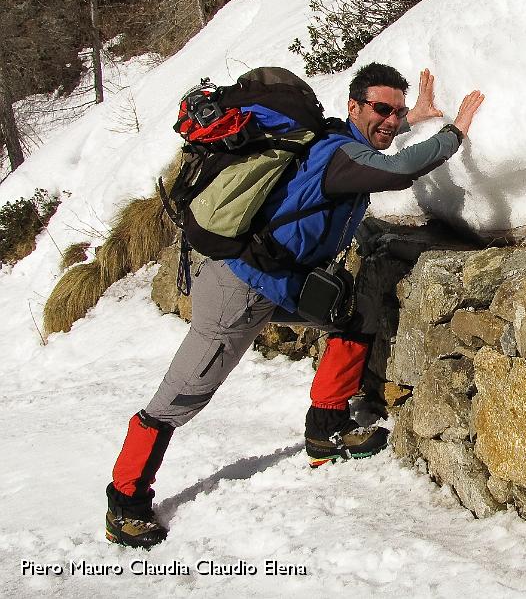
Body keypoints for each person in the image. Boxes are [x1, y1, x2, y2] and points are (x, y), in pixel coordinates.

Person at [105, 62, 484, 548]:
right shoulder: (339, 155)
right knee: (181, 396)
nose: (390, 119)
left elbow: (373, 145)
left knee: (355, 310)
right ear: (354, 106)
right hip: (237, 291)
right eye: (382, 109)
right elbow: (399, 170)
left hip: (281, 282)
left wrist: (415, 119)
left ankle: (327, 429)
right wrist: (453, 133)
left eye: (398, 110)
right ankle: (126, 499)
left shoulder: (337, 140)